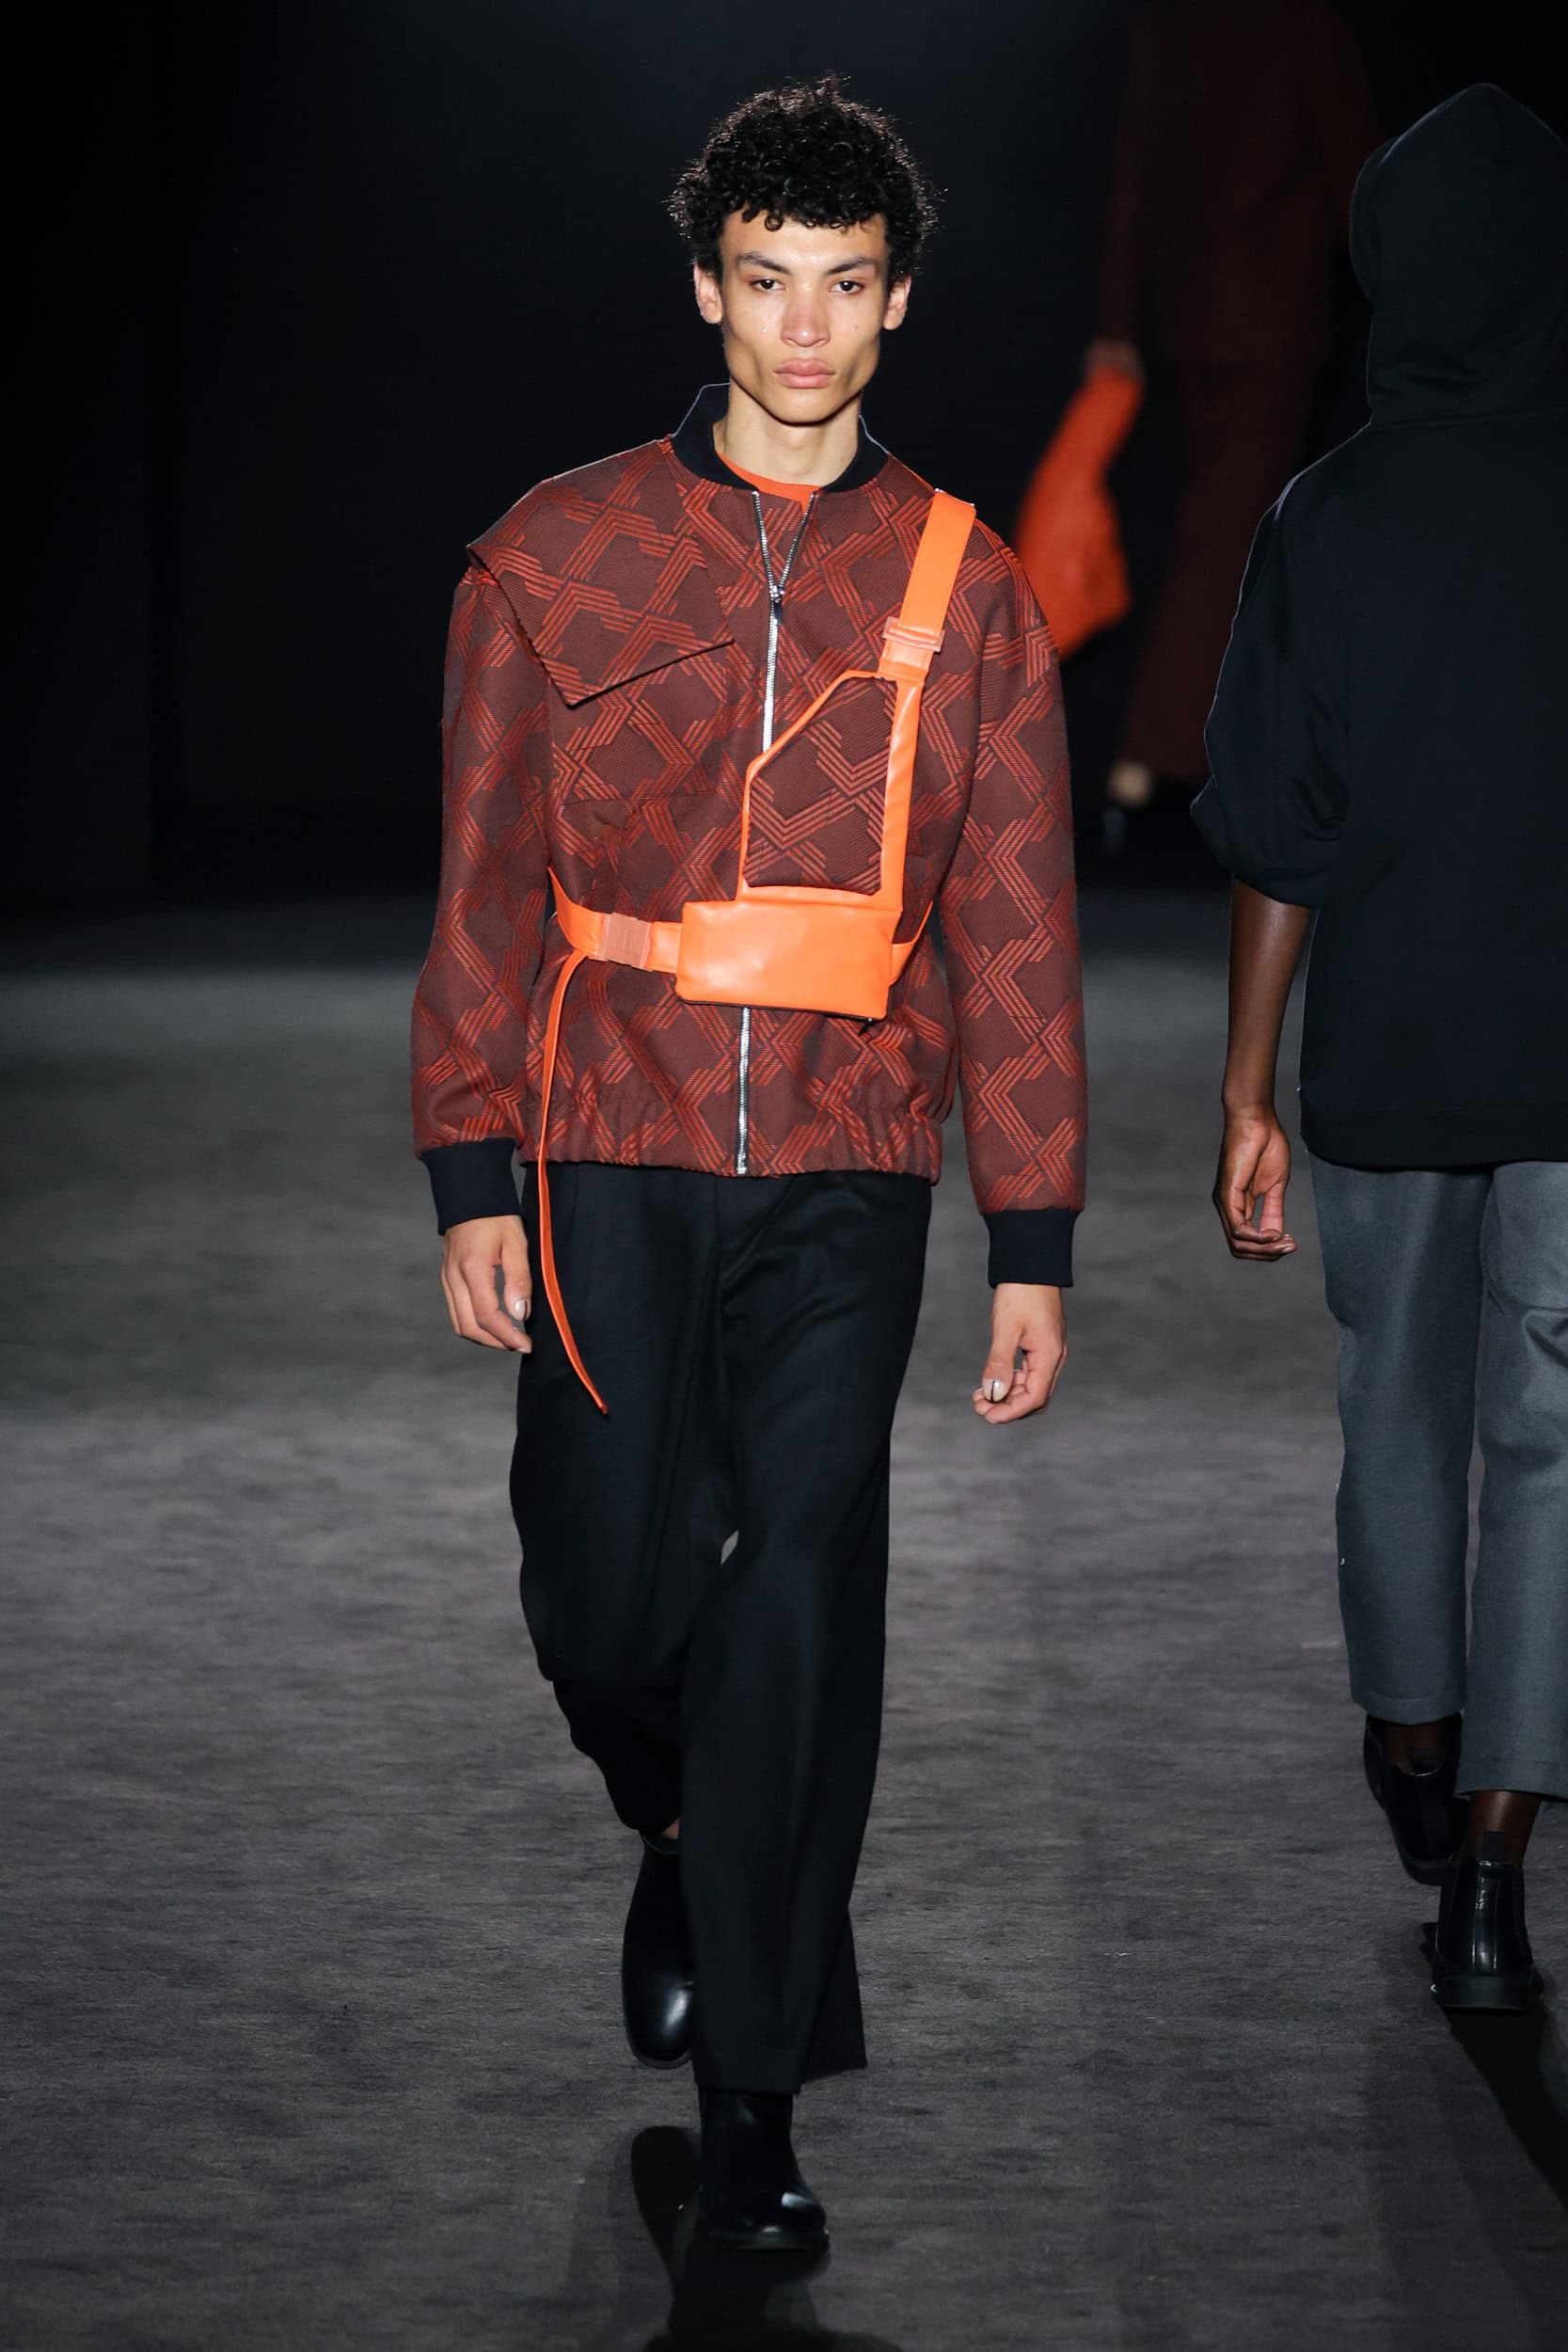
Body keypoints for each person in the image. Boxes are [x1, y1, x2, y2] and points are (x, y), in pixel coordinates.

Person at [410, 77, 1086, 2244]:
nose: (804, 326)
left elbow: (1012, 922)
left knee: (796, 1595)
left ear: (898, 305)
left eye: (844, 285)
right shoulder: (553, 553)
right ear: (707, 289)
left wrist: (1031, 1228)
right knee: (604, 1596)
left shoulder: (965, 586)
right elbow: (481, 882)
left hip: (845, 1155)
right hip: (602, 1135)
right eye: (767, 280)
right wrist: (469, 1166)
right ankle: (681, 1822)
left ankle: (758, 2110)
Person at [1196, 86, 1568, 2011]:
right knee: (1552, 1442)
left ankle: (1415, 1742)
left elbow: (1279, 828)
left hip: (1392, 1044)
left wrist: (1243, 1084)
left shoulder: (1325, 515)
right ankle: (1495, 1866)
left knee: (1395, 1412)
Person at [1091, 0, 1379, 829]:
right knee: (1227, 540)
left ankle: (1190, 765)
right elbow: (1356, 178)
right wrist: (1410, 292)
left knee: (1229, 533)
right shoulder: (1300, 26)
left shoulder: (1178, 24)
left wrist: (1120, 320)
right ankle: (1151, 766)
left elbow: (1135, 177)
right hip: (1266, 322)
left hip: (1192, 318)